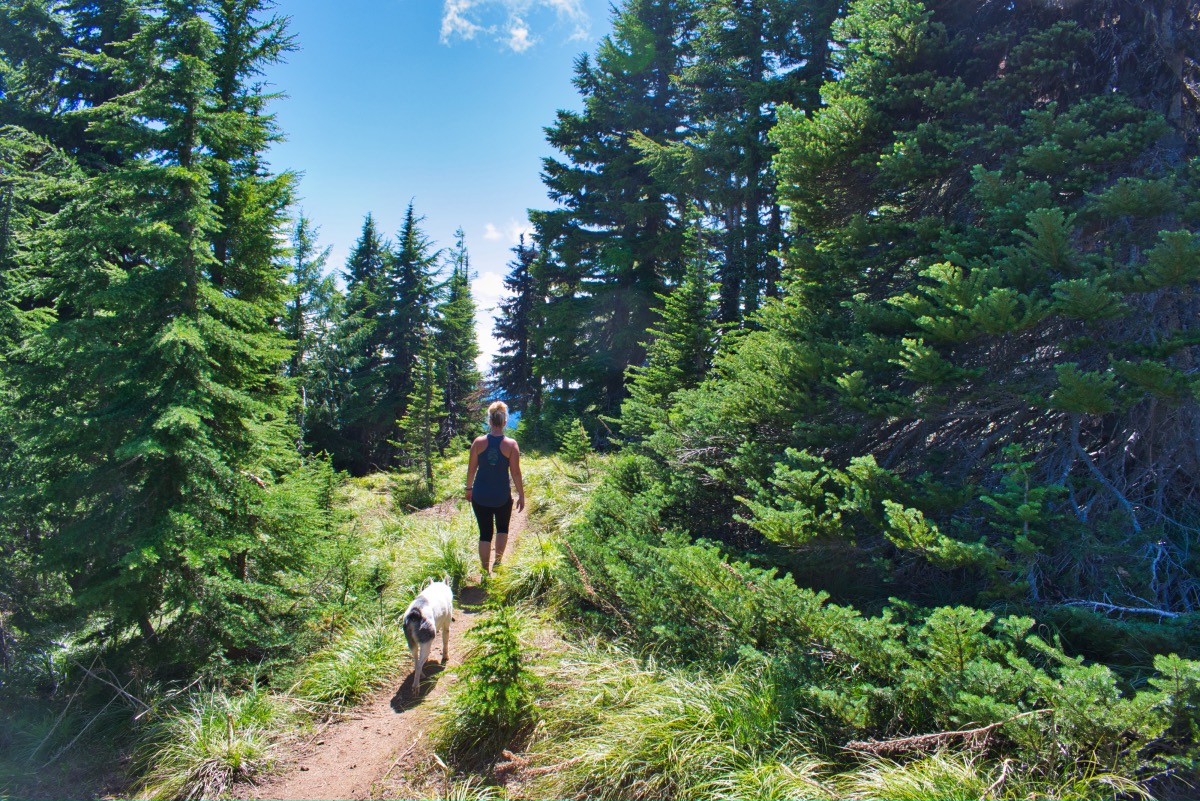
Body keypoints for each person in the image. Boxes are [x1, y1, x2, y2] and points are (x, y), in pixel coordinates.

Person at [465, 401, 525, 576]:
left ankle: (485, 572)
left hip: (480, 494)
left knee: (485, 533)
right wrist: (521, 495)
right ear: (505, 422)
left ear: (489, 421)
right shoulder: (511, 445)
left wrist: (468, 489)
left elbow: (471, 469)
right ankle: (498, 563)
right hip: (501, 496)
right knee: (502, 528)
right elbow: (516, 473)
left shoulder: (478, 442)